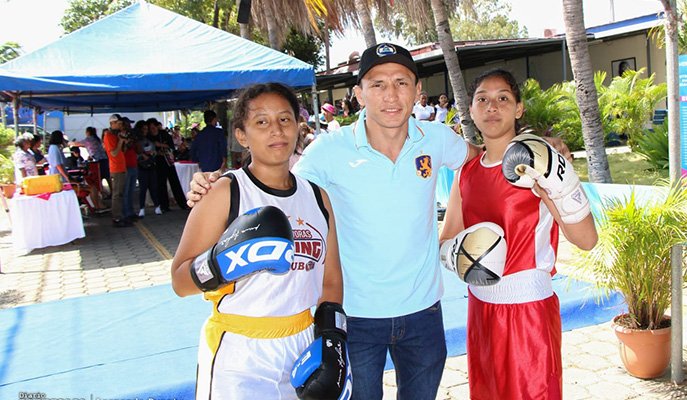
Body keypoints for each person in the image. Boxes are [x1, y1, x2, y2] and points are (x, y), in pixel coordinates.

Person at [187, 43, 572, 399]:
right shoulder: (328, 151)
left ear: (417, 90)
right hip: (356, 317)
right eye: (378, 84)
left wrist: (539, 147)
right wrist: (212, 187)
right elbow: (279, 186)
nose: (391, 95)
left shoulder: (436, 139)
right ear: (359, 93)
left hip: (424, 313)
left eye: (401, 83)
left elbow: (486, 155)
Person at [171, 82, 346, 400]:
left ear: (297, 126)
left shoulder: (318, 197)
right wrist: (221, 263)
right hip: (240, 353)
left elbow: (331, 281)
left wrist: (333, 341)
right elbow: (180, 281)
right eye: (261, 122)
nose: (276, 131)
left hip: (303, 344)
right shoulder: (225, 192)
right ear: (241, 135)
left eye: (285, 119)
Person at [439, 68, 597, 399]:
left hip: (529, 312)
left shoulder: (540, 163)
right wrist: (464, 256)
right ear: (470, 110)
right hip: (480, 310)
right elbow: (446, 241)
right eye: (482, 99)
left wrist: (559, 182)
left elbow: (586, 240)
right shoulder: (465, 172)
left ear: (519, 108)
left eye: (503, 98)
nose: (491, 107)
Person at [104, 114, 131, 227]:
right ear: (112, 123)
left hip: (121, 167)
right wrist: (120, 141)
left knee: (120, 194)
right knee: (117, 194)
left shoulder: (115, 135)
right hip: (116, 168)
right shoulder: (109, 136)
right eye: (118, 124)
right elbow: (113, 153)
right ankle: (116, 218)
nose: (120, 126)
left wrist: (124, 142)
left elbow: (121, 151)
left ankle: (120, 215)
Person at [70, 126, 111, 195]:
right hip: (104, 159)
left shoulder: (88, 139)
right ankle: (111, 192)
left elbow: (78, 144)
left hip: (98, 161)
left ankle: (102, 194)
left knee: (98, 178)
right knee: (107, 177)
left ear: (88, 132)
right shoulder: (97, 139)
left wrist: (70, 143)